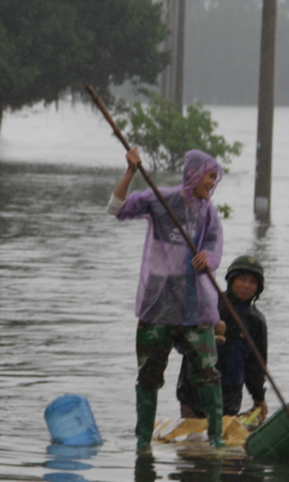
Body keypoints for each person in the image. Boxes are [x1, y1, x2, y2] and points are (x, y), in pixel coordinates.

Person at [107, 147, 225, 452]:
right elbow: (115, 209)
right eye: (209, 176)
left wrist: (206, 260)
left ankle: (216, 438)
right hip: (158, 302)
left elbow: (214, 247)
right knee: (148, 376)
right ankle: (143, 441)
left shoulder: (208, 211)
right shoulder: (161, 200)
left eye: (215, 178)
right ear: (194, 174)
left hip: (194, 305)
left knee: (208, 373)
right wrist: (131, 171)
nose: (212, 183)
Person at [176, 255, 268, 423]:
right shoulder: (209, 305)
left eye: (252, 282)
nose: (246, 286)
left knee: (220, 444)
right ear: (231, 280)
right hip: (194, 394)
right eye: (242, 279)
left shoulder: (256, 322)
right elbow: (180, 341)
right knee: (195, 444)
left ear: (258, 288)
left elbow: (256, 366)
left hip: (229, 399)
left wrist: (259, 398)